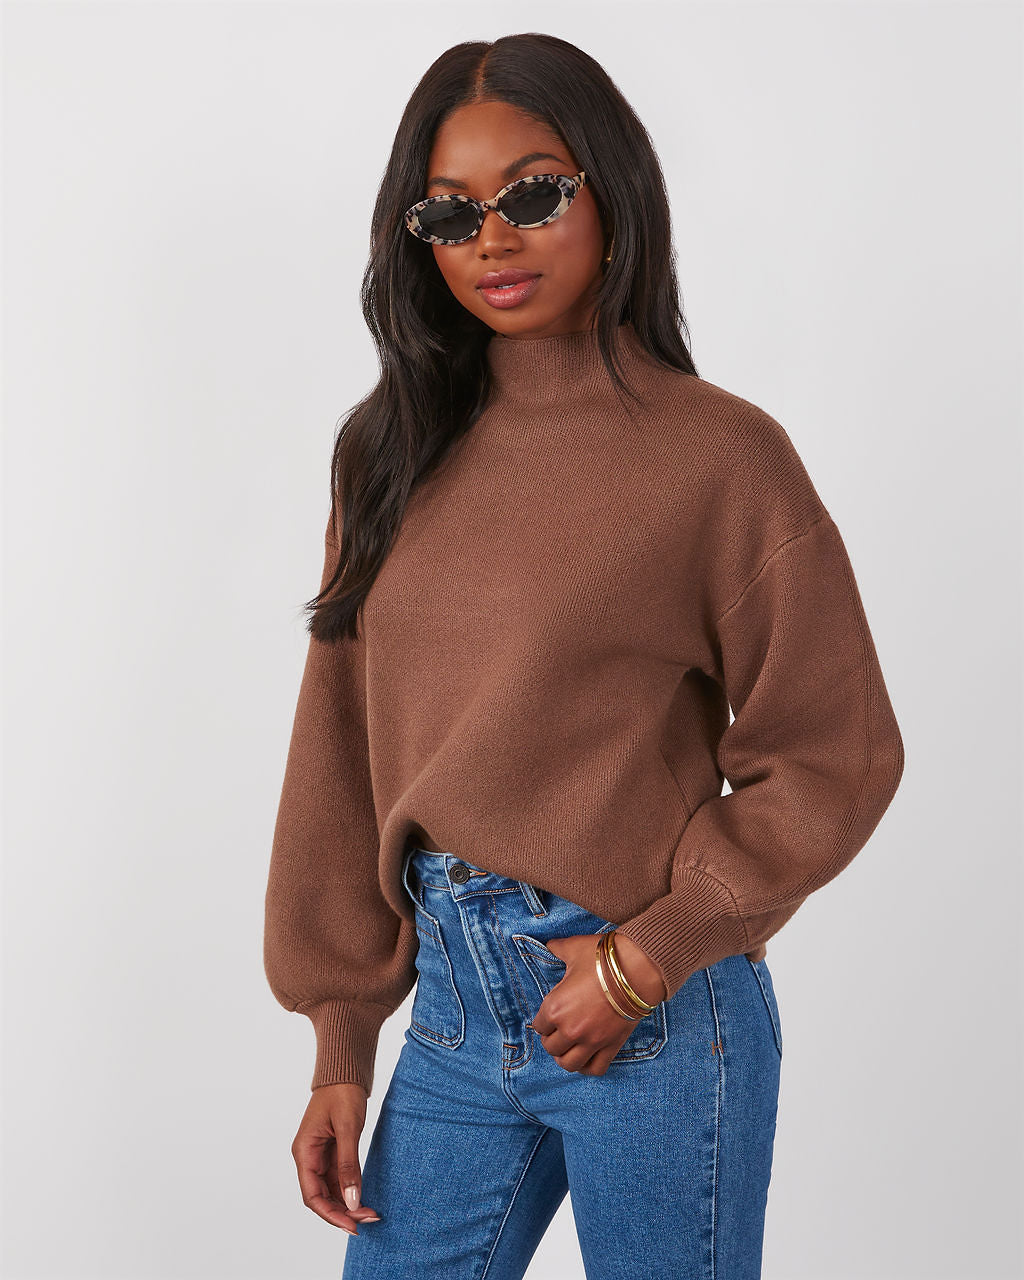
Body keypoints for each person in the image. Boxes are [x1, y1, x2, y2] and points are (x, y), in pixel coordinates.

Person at [263, 32, 905, 1280]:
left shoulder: (718, 457)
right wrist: (341, 1038)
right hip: (451, 1013)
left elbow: (837, 751)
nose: (492, 239)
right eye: (451, 212)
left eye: (533, 194)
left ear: (612, 194)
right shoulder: (387, 451)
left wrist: (648, 954)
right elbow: (338, 747)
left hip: (649, 1002)